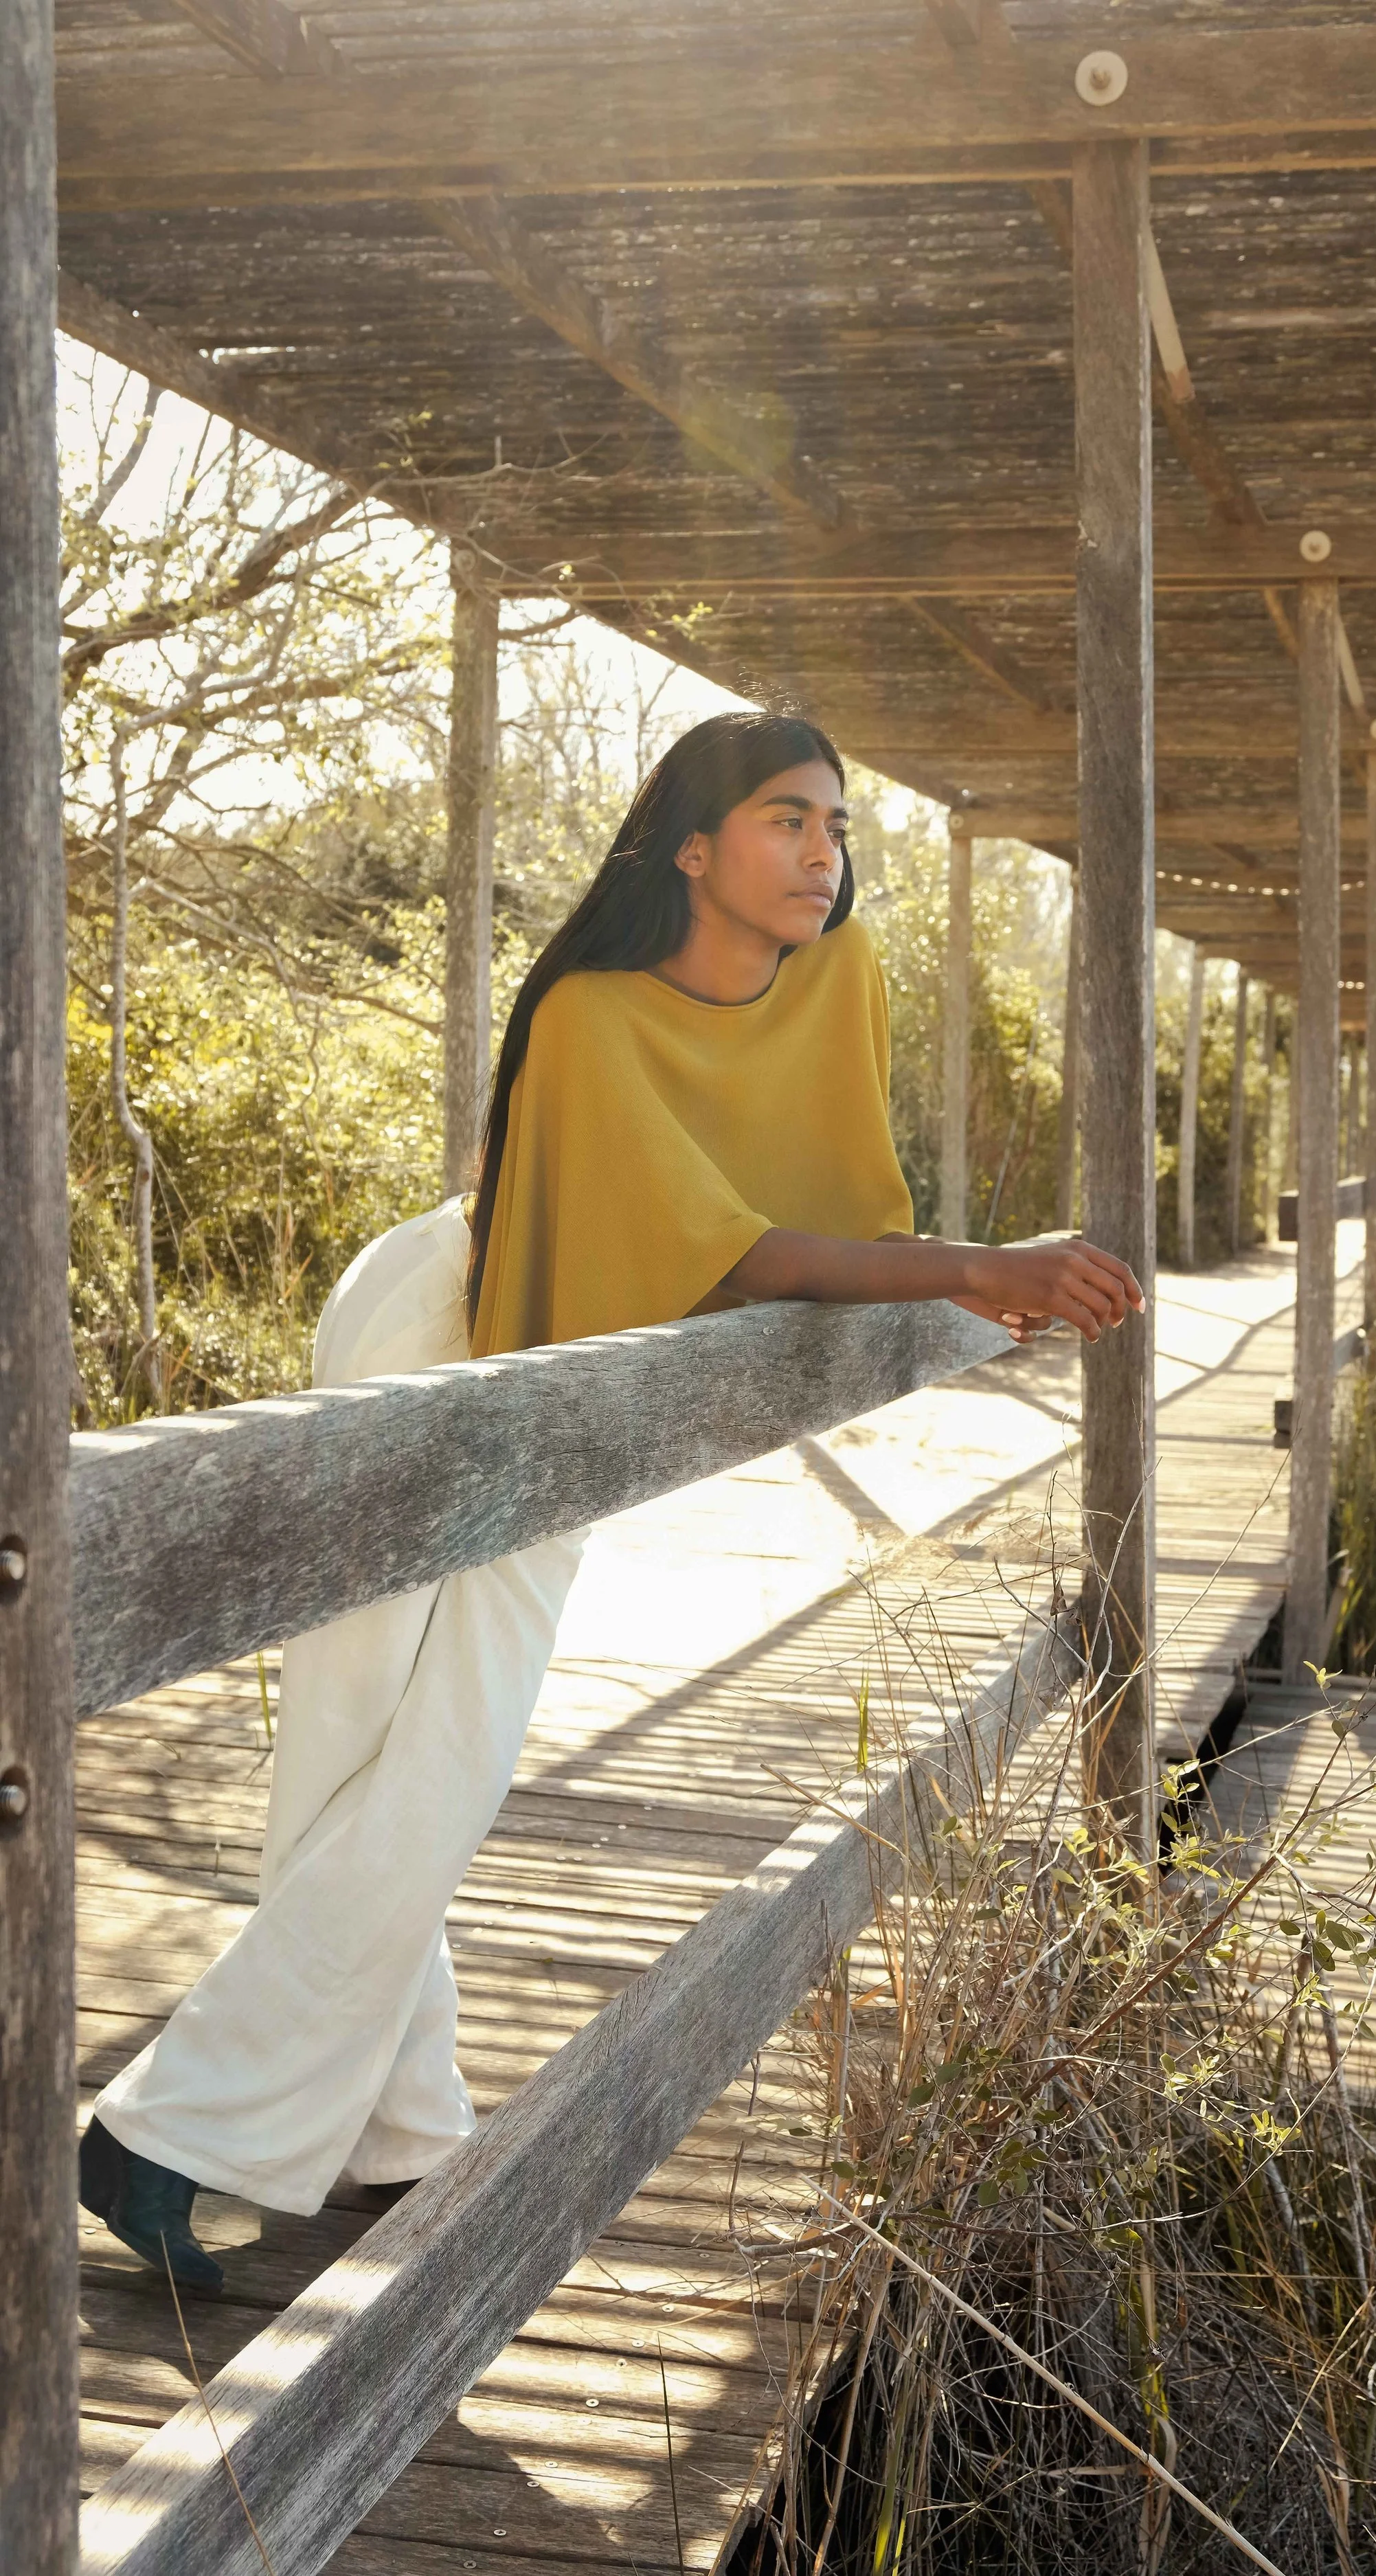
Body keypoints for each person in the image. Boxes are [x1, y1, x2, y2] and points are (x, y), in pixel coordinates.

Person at [80, 710, 1142, 2292]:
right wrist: (976, 1271)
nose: (820, 852)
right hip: (455, 1323)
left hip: (577, 1350)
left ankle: (379, 2127)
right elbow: (729, 1253)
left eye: (834, 825)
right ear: (691, 848)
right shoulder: (582, 1013)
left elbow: (828, 1217)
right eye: (785, 819)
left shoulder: (836, 985)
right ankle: (180, 2135)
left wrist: (959, 1284)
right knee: (391, 1739)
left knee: (437, 1747)